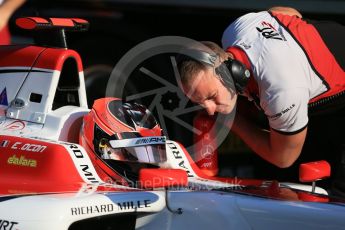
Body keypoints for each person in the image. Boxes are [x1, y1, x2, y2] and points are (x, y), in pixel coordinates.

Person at [177, 6, 345, 196]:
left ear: (232, 71)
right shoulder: (236, 29)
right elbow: (289, 12)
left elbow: (283, 158)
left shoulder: (280, 89)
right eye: (200, 102)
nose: (209, 110)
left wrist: (232, 120)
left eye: (212, 96)